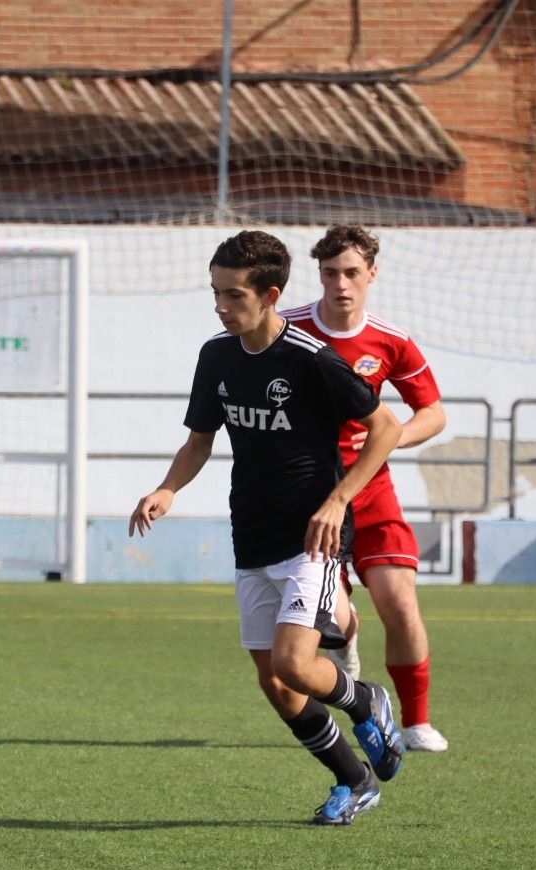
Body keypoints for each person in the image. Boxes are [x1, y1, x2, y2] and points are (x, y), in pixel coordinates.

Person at [129, 229, 406, 826]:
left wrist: (337, 502)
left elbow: (385, 429)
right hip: (251, 536)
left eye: (232, 295)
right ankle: (354, 780)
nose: (220, 305)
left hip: (313, 538)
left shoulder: (309, 358)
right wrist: (166, 489)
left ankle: (368, 701)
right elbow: (200, 440)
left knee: (293, 663)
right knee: (278, 686)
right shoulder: (217, 356)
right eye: (216, 292)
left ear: (270, 294)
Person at [280, 225, 450, 753]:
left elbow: (434, 413)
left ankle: (417, 721)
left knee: (399, 604)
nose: (341, 284)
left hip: (371, 490)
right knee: (333, 617)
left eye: (352, 272)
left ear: (371, 274)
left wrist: (391, 438)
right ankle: (346, 644)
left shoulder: (391, 340)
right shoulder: (288, 330)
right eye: (330, 273)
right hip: (308, 491)